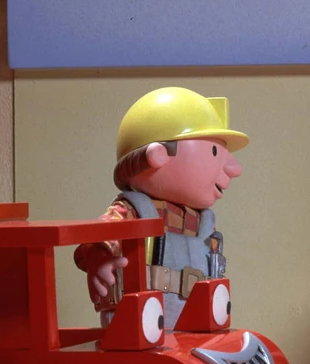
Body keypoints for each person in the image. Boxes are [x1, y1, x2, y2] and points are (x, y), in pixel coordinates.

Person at [74, 87, 247, 330]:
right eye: (215, 151)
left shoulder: (204, 223)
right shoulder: (133, 211)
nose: (234, 168)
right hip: (143, 328)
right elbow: (98, 237)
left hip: (197, 328)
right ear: (158, 155)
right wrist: (99, 259)